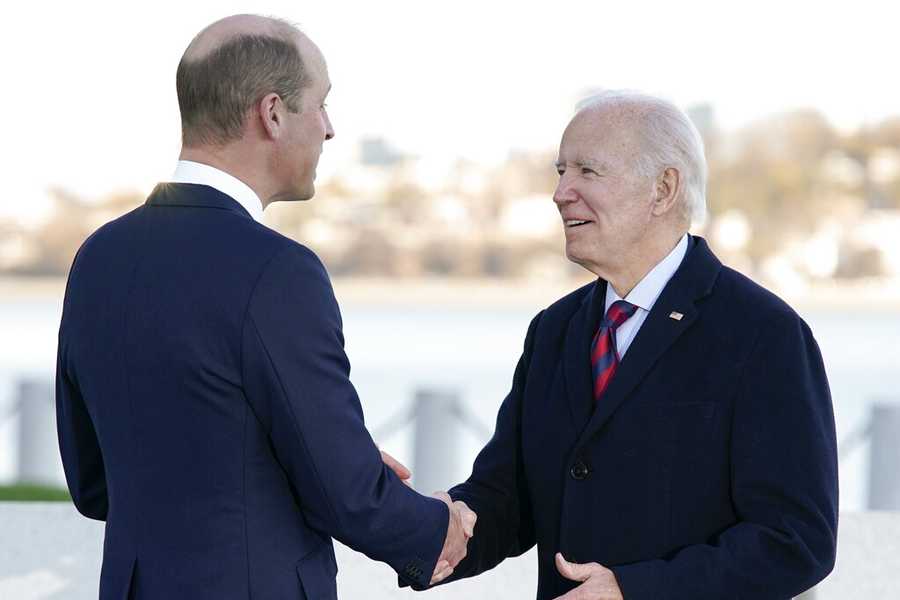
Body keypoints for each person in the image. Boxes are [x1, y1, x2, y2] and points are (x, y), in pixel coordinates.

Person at [55, 14, 473, 600]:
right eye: (321, 104)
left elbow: (94, 482)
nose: (329, 129)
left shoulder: (97, 257)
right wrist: (435, 533)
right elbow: (343, 493)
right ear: (272, 113)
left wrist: (292, 460)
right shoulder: (278, 271)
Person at [427, 91, 838, 599]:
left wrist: (633, 590)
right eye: (560, 171)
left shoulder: (764, 333)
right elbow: (507, 499)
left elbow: (797, 539)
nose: (561, 192)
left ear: (663, 189)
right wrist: (426, 527)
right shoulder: (554, 331)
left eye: (586, 171)